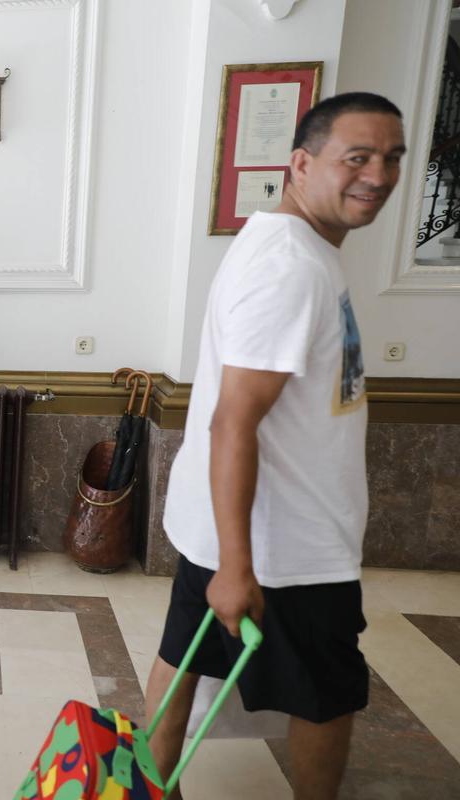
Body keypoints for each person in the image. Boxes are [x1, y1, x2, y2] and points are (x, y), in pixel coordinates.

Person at [144, 92, 406, 799]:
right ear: (301, 162)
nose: (377, 176)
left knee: (180, 666)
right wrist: (238, 567)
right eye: (357, 158)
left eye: (392, 158)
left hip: (231, 527)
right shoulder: (288, 267)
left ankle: (145, 789)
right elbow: (234, 421)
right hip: (280, 547)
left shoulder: (289, 246)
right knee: (327, 696)